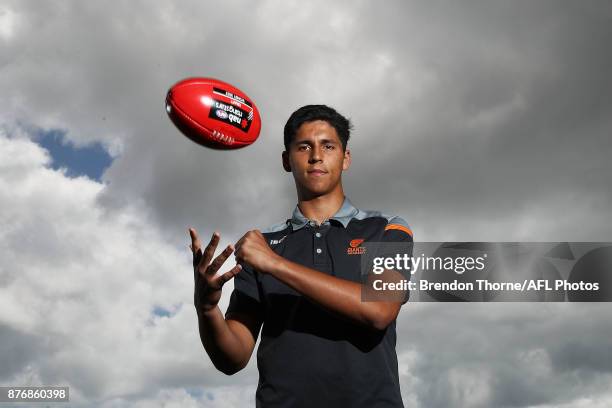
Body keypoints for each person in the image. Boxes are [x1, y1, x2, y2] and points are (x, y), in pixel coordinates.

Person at [188, 105, 413, 407]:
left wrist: (276, 264)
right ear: (286, 159)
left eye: (328, 146)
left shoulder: (387, 227)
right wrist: (206, 309)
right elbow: (233, 357)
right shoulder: (262, 245)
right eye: (304, 146)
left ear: (345, 158)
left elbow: (379, 310)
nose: (316, 156)